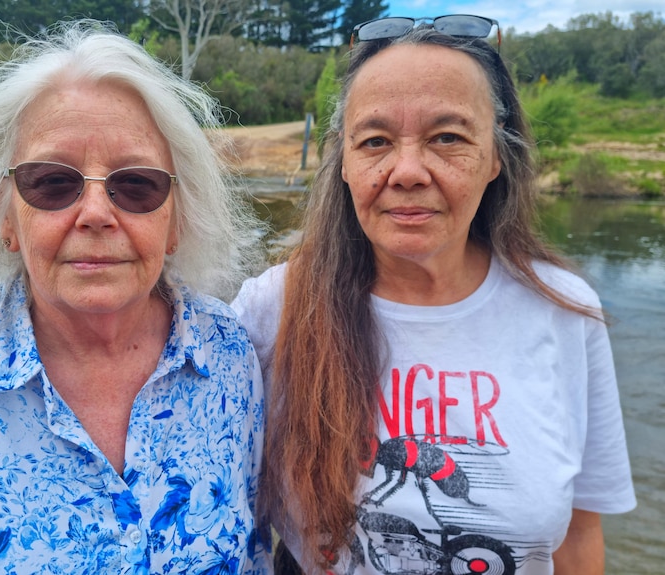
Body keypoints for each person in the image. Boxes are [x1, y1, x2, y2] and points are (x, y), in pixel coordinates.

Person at [0, 21, 271, 574]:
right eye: (51, 182)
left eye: (137, 184)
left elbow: (252, 553)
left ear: (176, 220)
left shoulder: (228, 353)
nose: (96, 213)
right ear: (5, 215)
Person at [232, 15, 635, 575]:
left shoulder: (567, 312)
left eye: (447, 137)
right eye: (375, 141)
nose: (408, 171)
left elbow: (579, 537)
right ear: (345, 163)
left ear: (496, 157)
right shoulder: (267, 311)